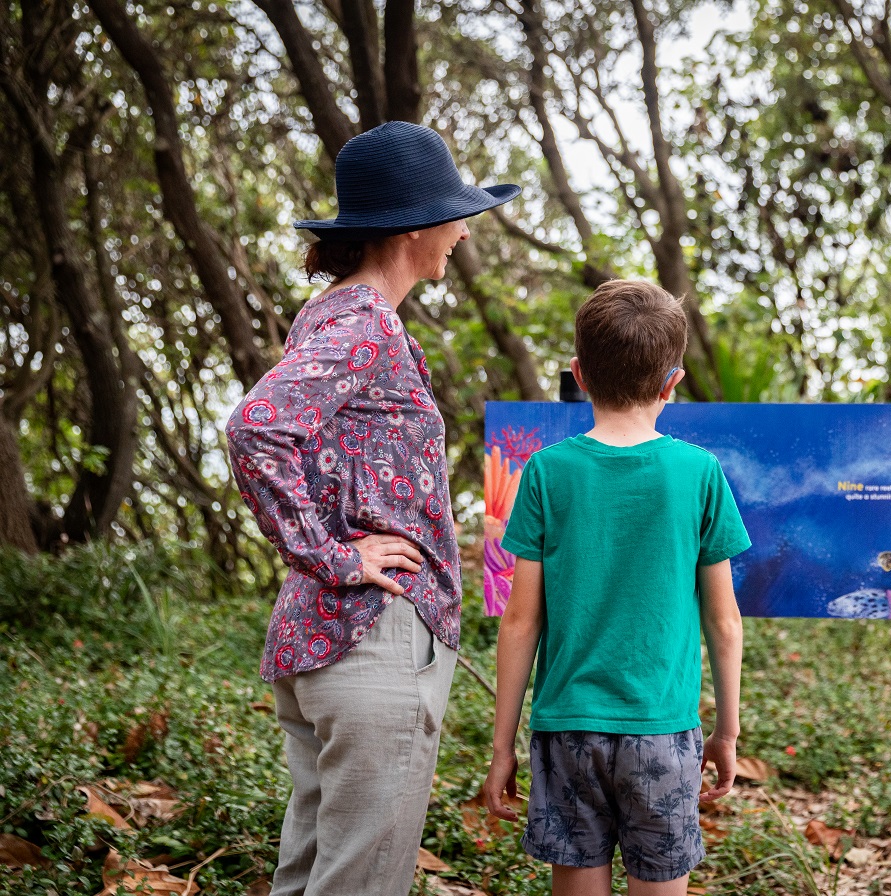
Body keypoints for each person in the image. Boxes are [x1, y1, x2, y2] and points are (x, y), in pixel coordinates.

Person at [225, 120, 519, 896]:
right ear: (413, 228)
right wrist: (331, 554)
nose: (463, 231)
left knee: (311, 877)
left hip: (326, 638)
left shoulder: (334, 316)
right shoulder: (365, 324)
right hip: (370, 638)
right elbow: (255, 427)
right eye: (456, 215)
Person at [483, 280, 751, 896]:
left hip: (566, 731)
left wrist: (502, 748)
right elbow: (724, 622)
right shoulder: (700, 472)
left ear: (579, 373)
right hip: (663, 730)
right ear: (672, 382)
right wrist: (727, 733)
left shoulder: (546, 471)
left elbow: (520, 622)